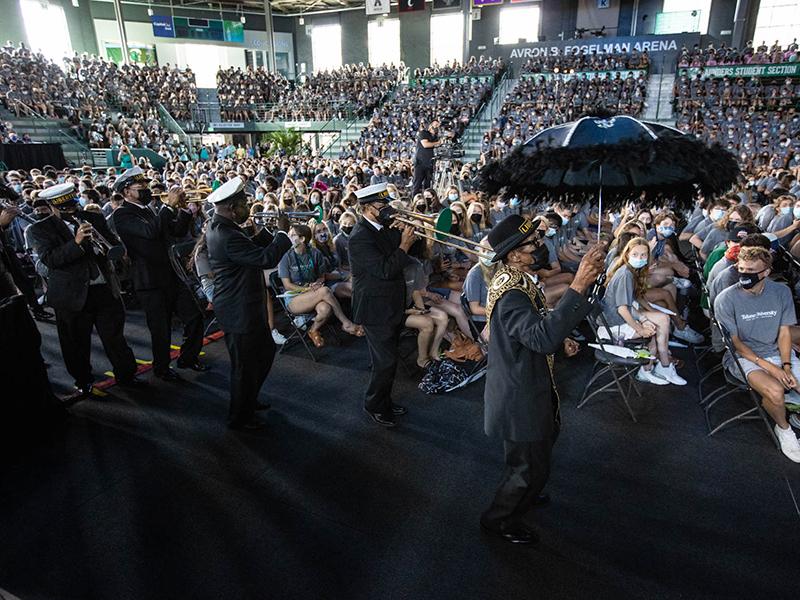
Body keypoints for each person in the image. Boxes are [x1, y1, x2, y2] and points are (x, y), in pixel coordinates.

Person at [480, 215, 605, 545]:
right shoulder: (511, 295)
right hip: (519, 393)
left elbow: (534, 330)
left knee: (536, 454)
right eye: (532, 244)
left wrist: (558, 334)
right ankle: (501, 518)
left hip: (527, 382)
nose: (539, 247)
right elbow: (540, 339)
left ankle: (527, 494)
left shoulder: (518, 279)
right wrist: (577, 286)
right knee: (526, 466)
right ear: (514, 255)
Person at [27, 183, 145, 398]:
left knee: (115, 338)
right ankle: (83, 381)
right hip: (71, 295)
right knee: (76, 343)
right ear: (52, 206)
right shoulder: (39, 229)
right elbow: (51, 260)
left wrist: (114, 247)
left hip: (103, 289)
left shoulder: (93, 217)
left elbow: (111, 241)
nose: (73, 212)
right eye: (66, 209)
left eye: (73, 205)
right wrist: (77, 242)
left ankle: (127, 375)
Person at [205, 177, 292, 430]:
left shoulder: (223, 226)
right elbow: (264, 258)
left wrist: (268, 232)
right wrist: (284, 233)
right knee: (244, 365)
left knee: (263, 353)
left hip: (244, 305)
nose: (248, 206)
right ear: (233, 207)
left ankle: (248, 400)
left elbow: (249, 248)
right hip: (238, 308)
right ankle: (239, 418)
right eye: (244, 202)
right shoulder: (226, 233)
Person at [112, 167, 206, 381]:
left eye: (146, 185)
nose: (145, 189)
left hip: (170, 274)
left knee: (193, 315)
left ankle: (188, 357)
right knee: (160, 328)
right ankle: (162, 368)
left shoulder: (148, 209)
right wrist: (167, 206)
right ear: (127, 191)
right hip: (149, 281)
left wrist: (184, 211)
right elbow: (150, 232)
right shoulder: (122, 214)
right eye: (140, 186)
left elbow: (176, 232)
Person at [714, 246, 800, 462]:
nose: (745, 274)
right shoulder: (726, 299)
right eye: (741, 269)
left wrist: (786, 365)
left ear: (766, 272)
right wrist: (772, 368)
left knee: (790, 381)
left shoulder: (781, 292)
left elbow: (784, 332)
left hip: (777, 352)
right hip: (744, 358)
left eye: (751, 270)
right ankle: (784, 429)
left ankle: (791, 406)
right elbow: (736, 343)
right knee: (775, 390)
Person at [349, 183, 417, 428]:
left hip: (391, 304)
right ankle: (373, 404)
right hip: (375, 309)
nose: (387, 209)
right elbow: (385, 270)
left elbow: (405, 257)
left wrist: (412, 235)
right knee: (384, 362)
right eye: (382, 205)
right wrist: (404, 244)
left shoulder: (384, 227)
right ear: (367, 208)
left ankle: (384, 401)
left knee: (389, 360)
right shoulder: (359, 237)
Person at [412, 120, 445, 195]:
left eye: (438, 125)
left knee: (428, 184)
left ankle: (427, 201)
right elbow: (425, 144)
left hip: (430, 163)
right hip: (420, 162)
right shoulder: (423, 133)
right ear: (430, 126)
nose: (437, 127)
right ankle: (414, 200)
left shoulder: (435, 137)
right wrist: (439, 142)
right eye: (435, 125)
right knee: (417, 184)